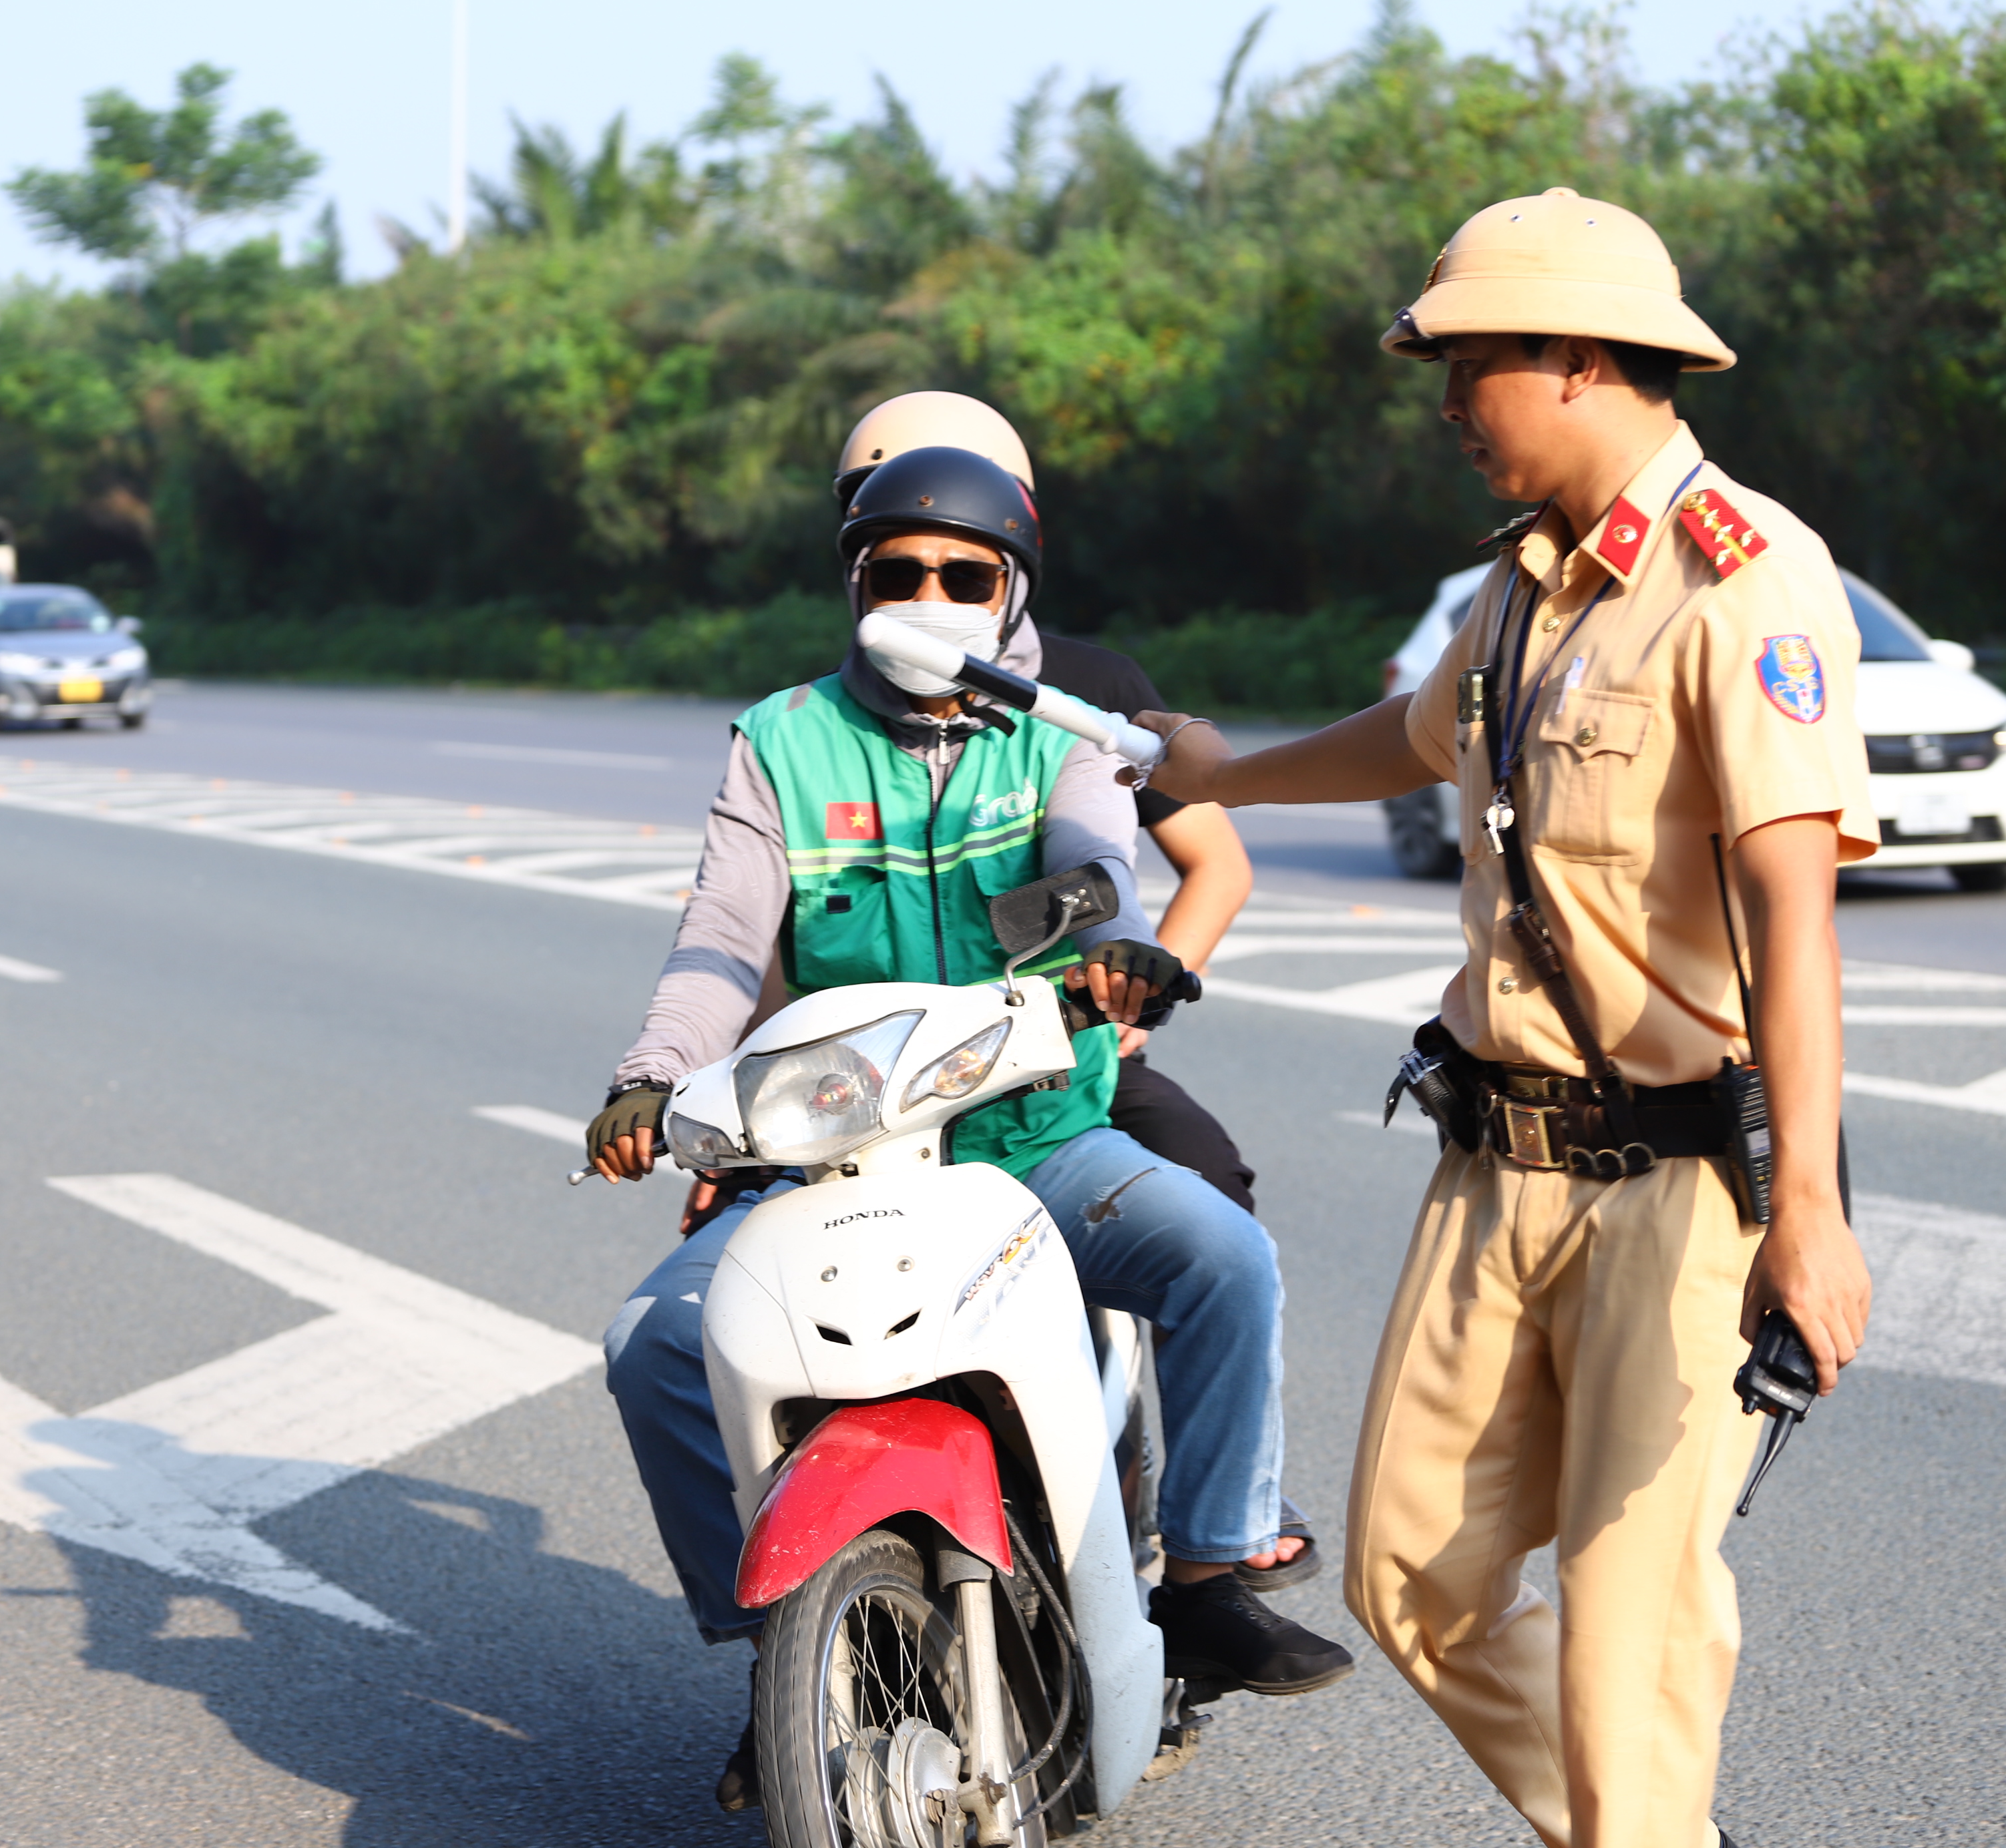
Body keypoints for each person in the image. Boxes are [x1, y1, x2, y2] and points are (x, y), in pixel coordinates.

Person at [1135, 188, 1877, 1848]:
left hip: (1679, 1189)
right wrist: (1223, 771)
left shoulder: (1740, 581)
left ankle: (1641, 1826)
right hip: (1495, 1159)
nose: (1447, 403)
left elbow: (1793, 912)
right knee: (1415, 1571)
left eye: (1468, 364)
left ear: (1569, 354)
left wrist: (1809, 1213)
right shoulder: (1528, 587)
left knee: (1630, 1640)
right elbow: (1414, 739)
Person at [588, 439, 1354, 1812]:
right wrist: (653, 1074)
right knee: (652, 1345)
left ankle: (1211, 1572)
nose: (927, 592)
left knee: (1220, 1256)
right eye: (897, 569)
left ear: (1011, 588)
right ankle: (782, 1647)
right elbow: (719, 937)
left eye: (961, 571)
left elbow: (1093, 856)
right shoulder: (780, 739)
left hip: (1034, 1142)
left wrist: (1121, 948)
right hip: (832, 1158)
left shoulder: (1060, 728)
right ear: (854, 582)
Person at [829, 392, 1264, 1214]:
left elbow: (1214, 864)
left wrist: (1131, 1006)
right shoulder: (825, 707)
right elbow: (776, 917)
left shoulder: (1088, 693)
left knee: (1210, 1197)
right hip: (864, 1080)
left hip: (1053, 1058)